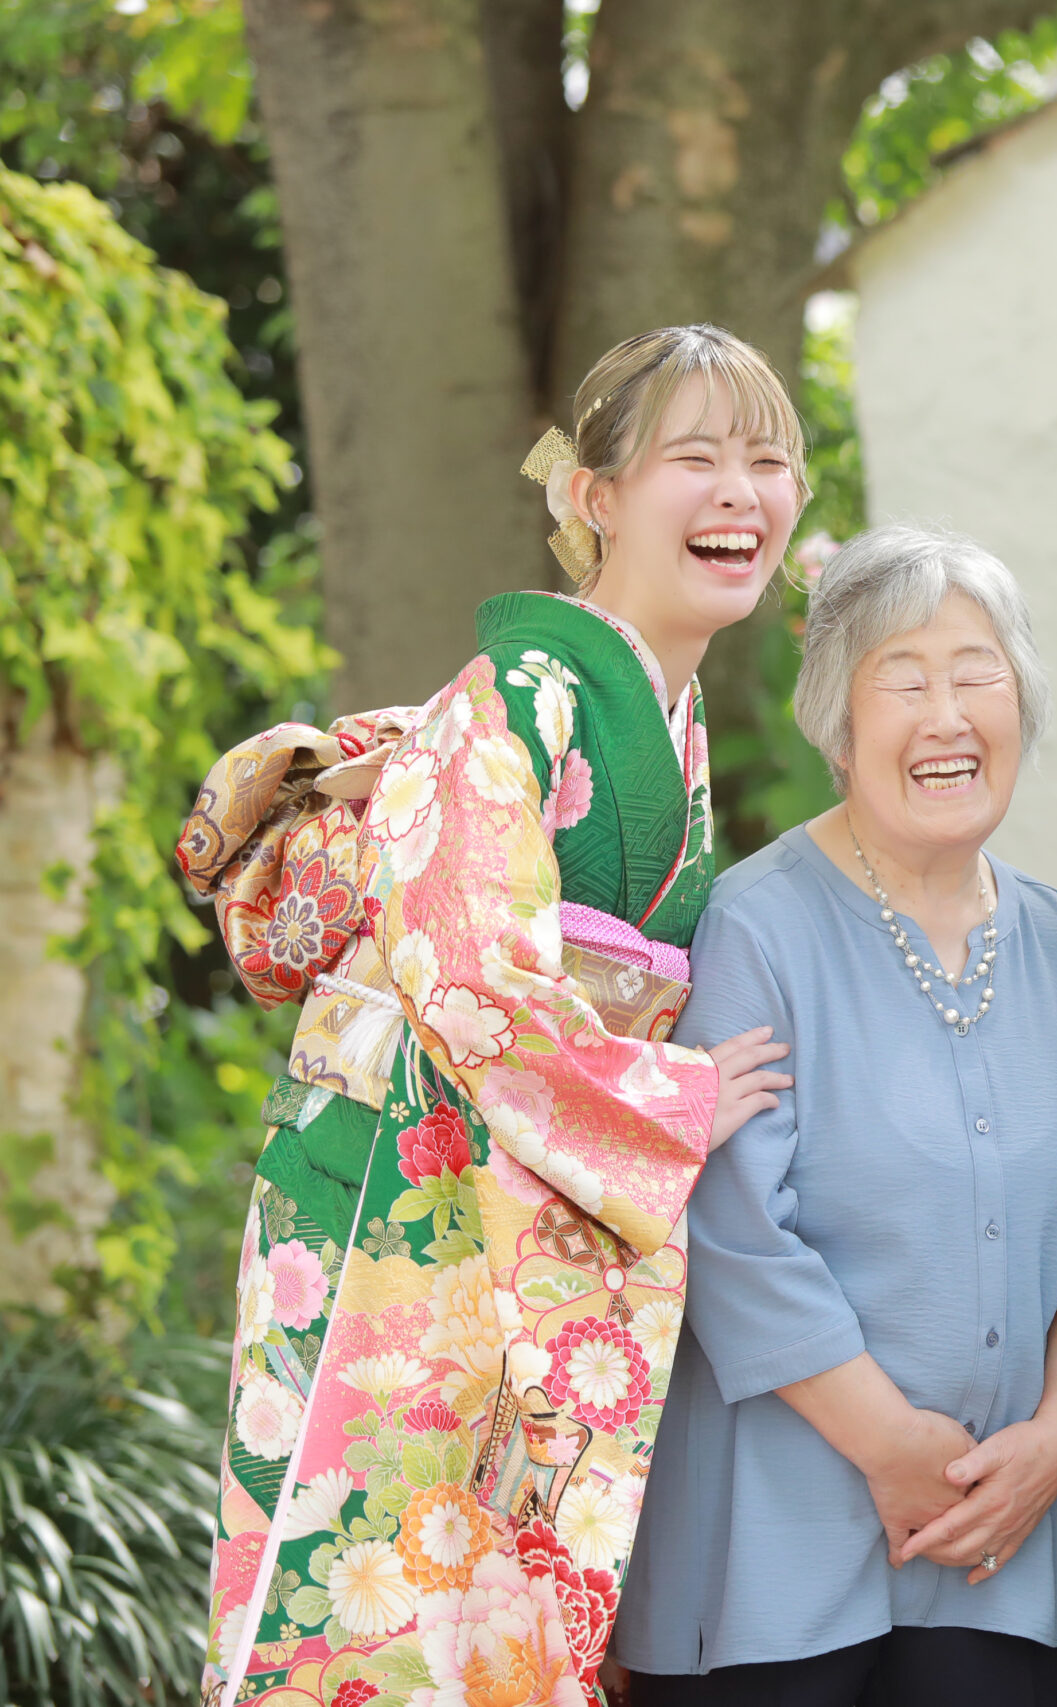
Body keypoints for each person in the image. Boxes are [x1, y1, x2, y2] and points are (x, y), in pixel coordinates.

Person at [179, 324, 803, 1707]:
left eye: (769, 462)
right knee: (369, 1576)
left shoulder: (658, 715)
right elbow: (470, 982)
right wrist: (672, 1100)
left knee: (471, 1602)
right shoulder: (512, 698)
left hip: (491, 1176)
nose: (740, 492)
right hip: (396, 1186)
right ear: (593, 495)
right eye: (695, 457)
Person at [614, 525, 1057, 1706]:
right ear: (838, 726)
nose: (947, 716)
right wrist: (897, 1450)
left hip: (996, 1540)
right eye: (904, 681)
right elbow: (733, 1229)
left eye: (977, 675)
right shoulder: (754, 929)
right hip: (769, 1556)